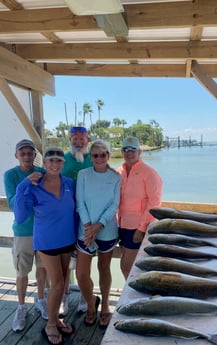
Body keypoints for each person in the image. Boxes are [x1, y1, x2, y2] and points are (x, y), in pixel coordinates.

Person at [14, 147, 76, 345]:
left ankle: (56, 320)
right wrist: (21, 186)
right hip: (46, 242)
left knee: (63, 280)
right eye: (51, 161)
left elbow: (74, 211)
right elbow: (21, 216)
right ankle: (50, 324)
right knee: (57, 283)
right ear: (44, 163)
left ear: (63, 164)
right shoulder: (34, 185)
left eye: (59, 161)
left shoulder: (69, 183)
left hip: (67, 240)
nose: (55, 164)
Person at [3, 139, 48, 332]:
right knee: (22, 272)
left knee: (42, 268)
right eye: (23, 153)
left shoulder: (43, 172)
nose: (27, 156)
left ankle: (41, 300)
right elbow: (13, 202)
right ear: (16, 155)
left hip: (44, 230)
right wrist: (26, 183)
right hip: (23, 232)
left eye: (30, 153)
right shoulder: (10, 175)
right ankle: (21, 307)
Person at [76, 139, 121, 329]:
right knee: (81, 274)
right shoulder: (83, 174)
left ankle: (105, 305)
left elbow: (114, 205)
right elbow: (80, 202)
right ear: (91, 157)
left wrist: (98, 226)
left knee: (104, 268)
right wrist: (89, 227)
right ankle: (90, 301)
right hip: (85, 231)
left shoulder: (116, 177)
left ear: (108, 156)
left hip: (107, 230)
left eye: (103, 154)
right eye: (95, 155)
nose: (100, 158)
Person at [117, 136, 162, 279]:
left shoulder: (149, 173)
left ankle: (132, 298)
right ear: (122, 151)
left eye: (133, 149)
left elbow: (155, 203)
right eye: (125, 149)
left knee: (127, 267)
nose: (129, 152)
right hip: (121, 225)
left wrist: (141, 228)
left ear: (140, 151)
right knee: (129, 267)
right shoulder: (119, 171)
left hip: (137, 228)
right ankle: (134, 297)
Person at [60, 126, 93, 316]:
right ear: (70, 140)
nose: (78, 142)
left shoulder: (94, 158)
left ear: (88, 140)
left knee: (84, 261)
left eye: (82, 138)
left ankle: (84, 294)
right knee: (64, 259)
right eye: (74, 138)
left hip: (88, 218)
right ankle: (63, 297)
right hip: (67, 218)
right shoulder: (62, 159)